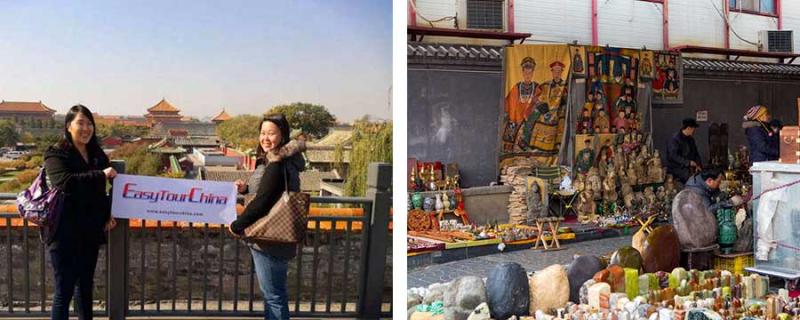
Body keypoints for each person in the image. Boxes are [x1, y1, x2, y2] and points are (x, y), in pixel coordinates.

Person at [44, 104, 117, 320]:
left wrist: (107, 214)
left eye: (89, 124)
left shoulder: (97, 154)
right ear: (68, 126)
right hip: (64, 232)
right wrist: (100, 175)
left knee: (85, 288)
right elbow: (64, 183)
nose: (86, 128)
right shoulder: (56, 153)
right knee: (63, 291)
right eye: (80, 123)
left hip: (90, 231)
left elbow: (102, 192)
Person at [229, 114, 306, 320]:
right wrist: (246, 190)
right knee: (274, 294)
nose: (265, 138)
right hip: (275, 237)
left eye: (271, 133)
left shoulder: (277, 163)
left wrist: (237, 226)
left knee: (274, 297)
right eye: (262, 133)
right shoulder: (278, 160)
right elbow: (270, 194)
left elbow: (263, 203)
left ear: (283, 136)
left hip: (269, 239)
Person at [666, 118, 702, 184]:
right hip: (677, 168)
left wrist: (698, 165)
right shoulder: (675, 139)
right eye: (693, 129)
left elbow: (696, 153)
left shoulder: (691, 139)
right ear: (688, 128)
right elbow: (673, 156)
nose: (694, 131)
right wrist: (688, 162)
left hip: (689, 168)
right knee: (692, 180)